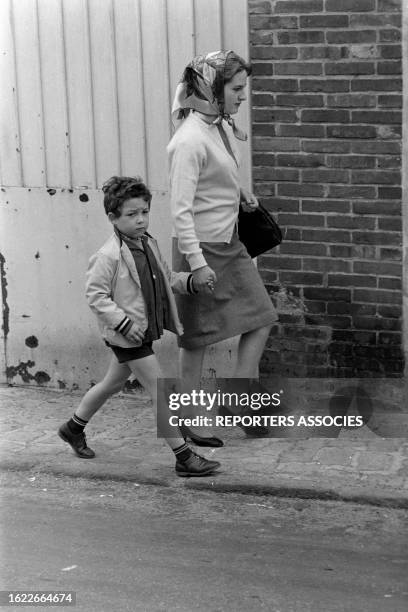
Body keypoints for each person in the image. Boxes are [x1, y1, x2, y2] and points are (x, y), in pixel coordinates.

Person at [58, 176, 220, 477]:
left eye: (144, 211)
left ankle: (72, 428)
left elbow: (167, 277)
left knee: (113, 383)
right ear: (112, 217)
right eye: (131, 214)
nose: (141, 219)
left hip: (142, 331)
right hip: (127, 336)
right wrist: (122, 322)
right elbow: (96, 296)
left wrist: (191, 283)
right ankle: (184, 458)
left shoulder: (148, 244)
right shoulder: (108, 256)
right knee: (162, 391)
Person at [167, 50, 278, 445]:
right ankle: (183, 420)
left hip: (229, 243)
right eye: (235, 88)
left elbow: (215, 179)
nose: (242, 96)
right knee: (195, 340)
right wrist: (196, 266)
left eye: (243, 88)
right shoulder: (189, 141)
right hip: (201, 250)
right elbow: (180, 212)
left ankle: (236, 397)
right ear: (212, 89)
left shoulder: (215, 128)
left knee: (262, 316)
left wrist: (240, 192)